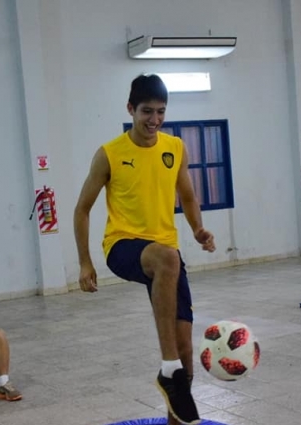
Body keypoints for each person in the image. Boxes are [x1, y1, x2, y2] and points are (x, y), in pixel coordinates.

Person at [73, 74, 215, 425]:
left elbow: (187, 195)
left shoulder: (175, 148)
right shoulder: (109, 154)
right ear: (130, 109)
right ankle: (168, 368)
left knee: (186, 349)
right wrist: (85, 262)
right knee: (167, 257)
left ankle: (177, 412)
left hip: (166, 255)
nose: (154, 120)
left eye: (161, 112)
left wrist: (198, 229)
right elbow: (82, 209)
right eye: (147, 111)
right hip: (122, 245)